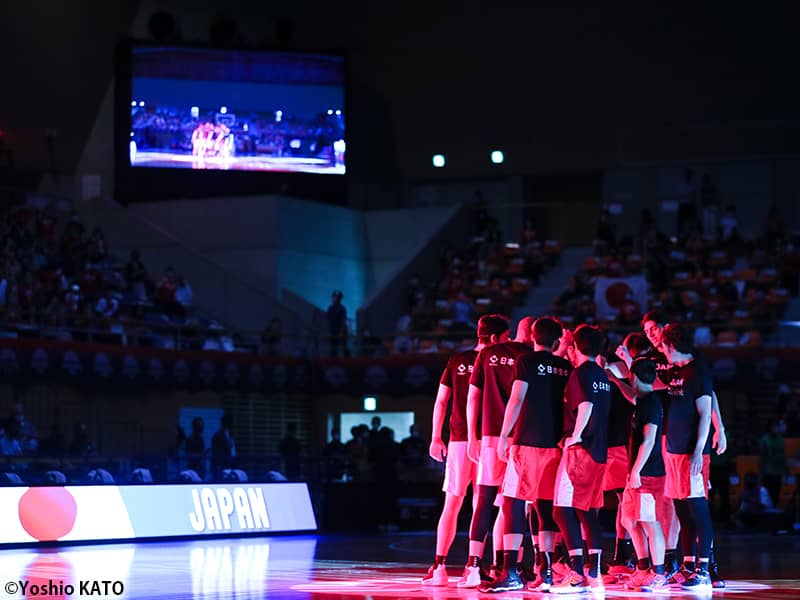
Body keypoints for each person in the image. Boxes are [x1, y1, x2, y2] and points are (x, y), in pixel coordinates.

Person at [423, 315, 508, 586]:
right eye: (506, 337)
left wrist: (436, 437)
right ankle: (484, 566)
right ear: (495, 337)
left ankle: (439, 566)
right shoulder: (501, 362)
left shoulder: (457, 360)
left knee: (453, 502)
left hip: (460, 439)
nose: (508, 342)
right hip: (489, 441)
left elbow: (441, 401)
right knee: (486, 504)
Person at [489, 317, 572, 592]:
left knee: (512, 504)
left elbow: (516, 398)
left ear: (533, 337)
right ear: (557, 341)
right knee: (545, 509)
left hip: (526, 442)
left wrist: (504, 435)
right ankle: (545, 572)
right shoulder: (566, 367)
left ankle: (510, 571)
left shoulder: (525, 362)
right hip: (555, 446)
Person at [461, 315, 532, 589]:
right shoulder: (529, 357)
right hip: (521, 439)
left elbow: (473, 397)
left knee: (484, 500)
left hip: (490, 436)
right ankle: (510, 568)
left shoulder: (487, 354)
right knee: (514, 504)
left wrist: (472, 436)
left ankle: (473, 566)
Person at [550, 325, 611, 594]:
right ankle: (594, 573)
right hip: (599, 451)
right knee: (586, 512)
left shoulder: (580, 373)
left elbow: (585, 405)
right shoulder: (602, 374)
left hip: (581, 451)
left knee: (561, 509)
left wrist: (575, 435)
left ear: (575, 348)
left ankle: (576, 574)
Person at [660, 323, 715, 591]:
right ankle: (688, 564)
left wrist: (698, 451)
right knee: (682, 512)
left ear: (672, 346)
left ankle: (703, 570)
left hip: (692, 455)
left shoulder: (698, 373)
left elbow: (705, 414)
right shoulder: (675, 372)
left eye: (663, 346)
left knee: (698, 511)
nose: (662, 351)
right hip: (673, 452)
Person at [621, 358, 669, 592]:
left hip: (648, 474)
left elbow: (649, 440)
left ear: (634, 377)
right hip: (637, 473)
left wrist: (636, 470)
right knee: (629, 520)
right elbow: (631, 396)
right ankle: (643, 569)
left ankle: (659, 574)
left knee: (650, 522)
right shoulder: (642, 401)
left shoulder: (651, 404)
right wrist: (614, 381)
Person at [759, 420, 788, 509]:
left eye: (777, 427)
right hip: (768, 471)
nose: (776, 429)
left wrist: (786, 470)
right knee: (768, 492)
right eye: (774, 427)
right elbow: (762, 457)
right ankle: (767, 510)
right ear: (770, 428)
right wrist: (761, 471)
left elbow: (783, 456)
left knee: (777, 492)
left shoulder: (781, 439)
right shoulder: (764, 439)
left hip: (778, 471)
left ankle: (774, 509)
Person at [211, 414, 236, 479]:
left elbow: (231, 448)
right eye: (232, 422)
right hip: (221, 467)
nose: (233, 425)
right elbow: (216, 453)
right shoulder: (218, 436)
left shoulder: (231, 434)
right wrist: (218, 466)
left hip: (229, 465)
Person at [327, 290, 348, 357]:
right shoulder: (330, 309)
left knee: (344, 348)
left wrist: (341, 332)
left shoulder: (342, 309)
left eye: (337, 297)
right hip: (333, 331)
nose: (334, 299)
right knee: (333, 349)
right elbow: (328, 321)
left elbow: (343, 321)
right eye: (334, 297)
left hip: (341, 331)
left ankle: (346, 361)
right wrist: (329, 332)